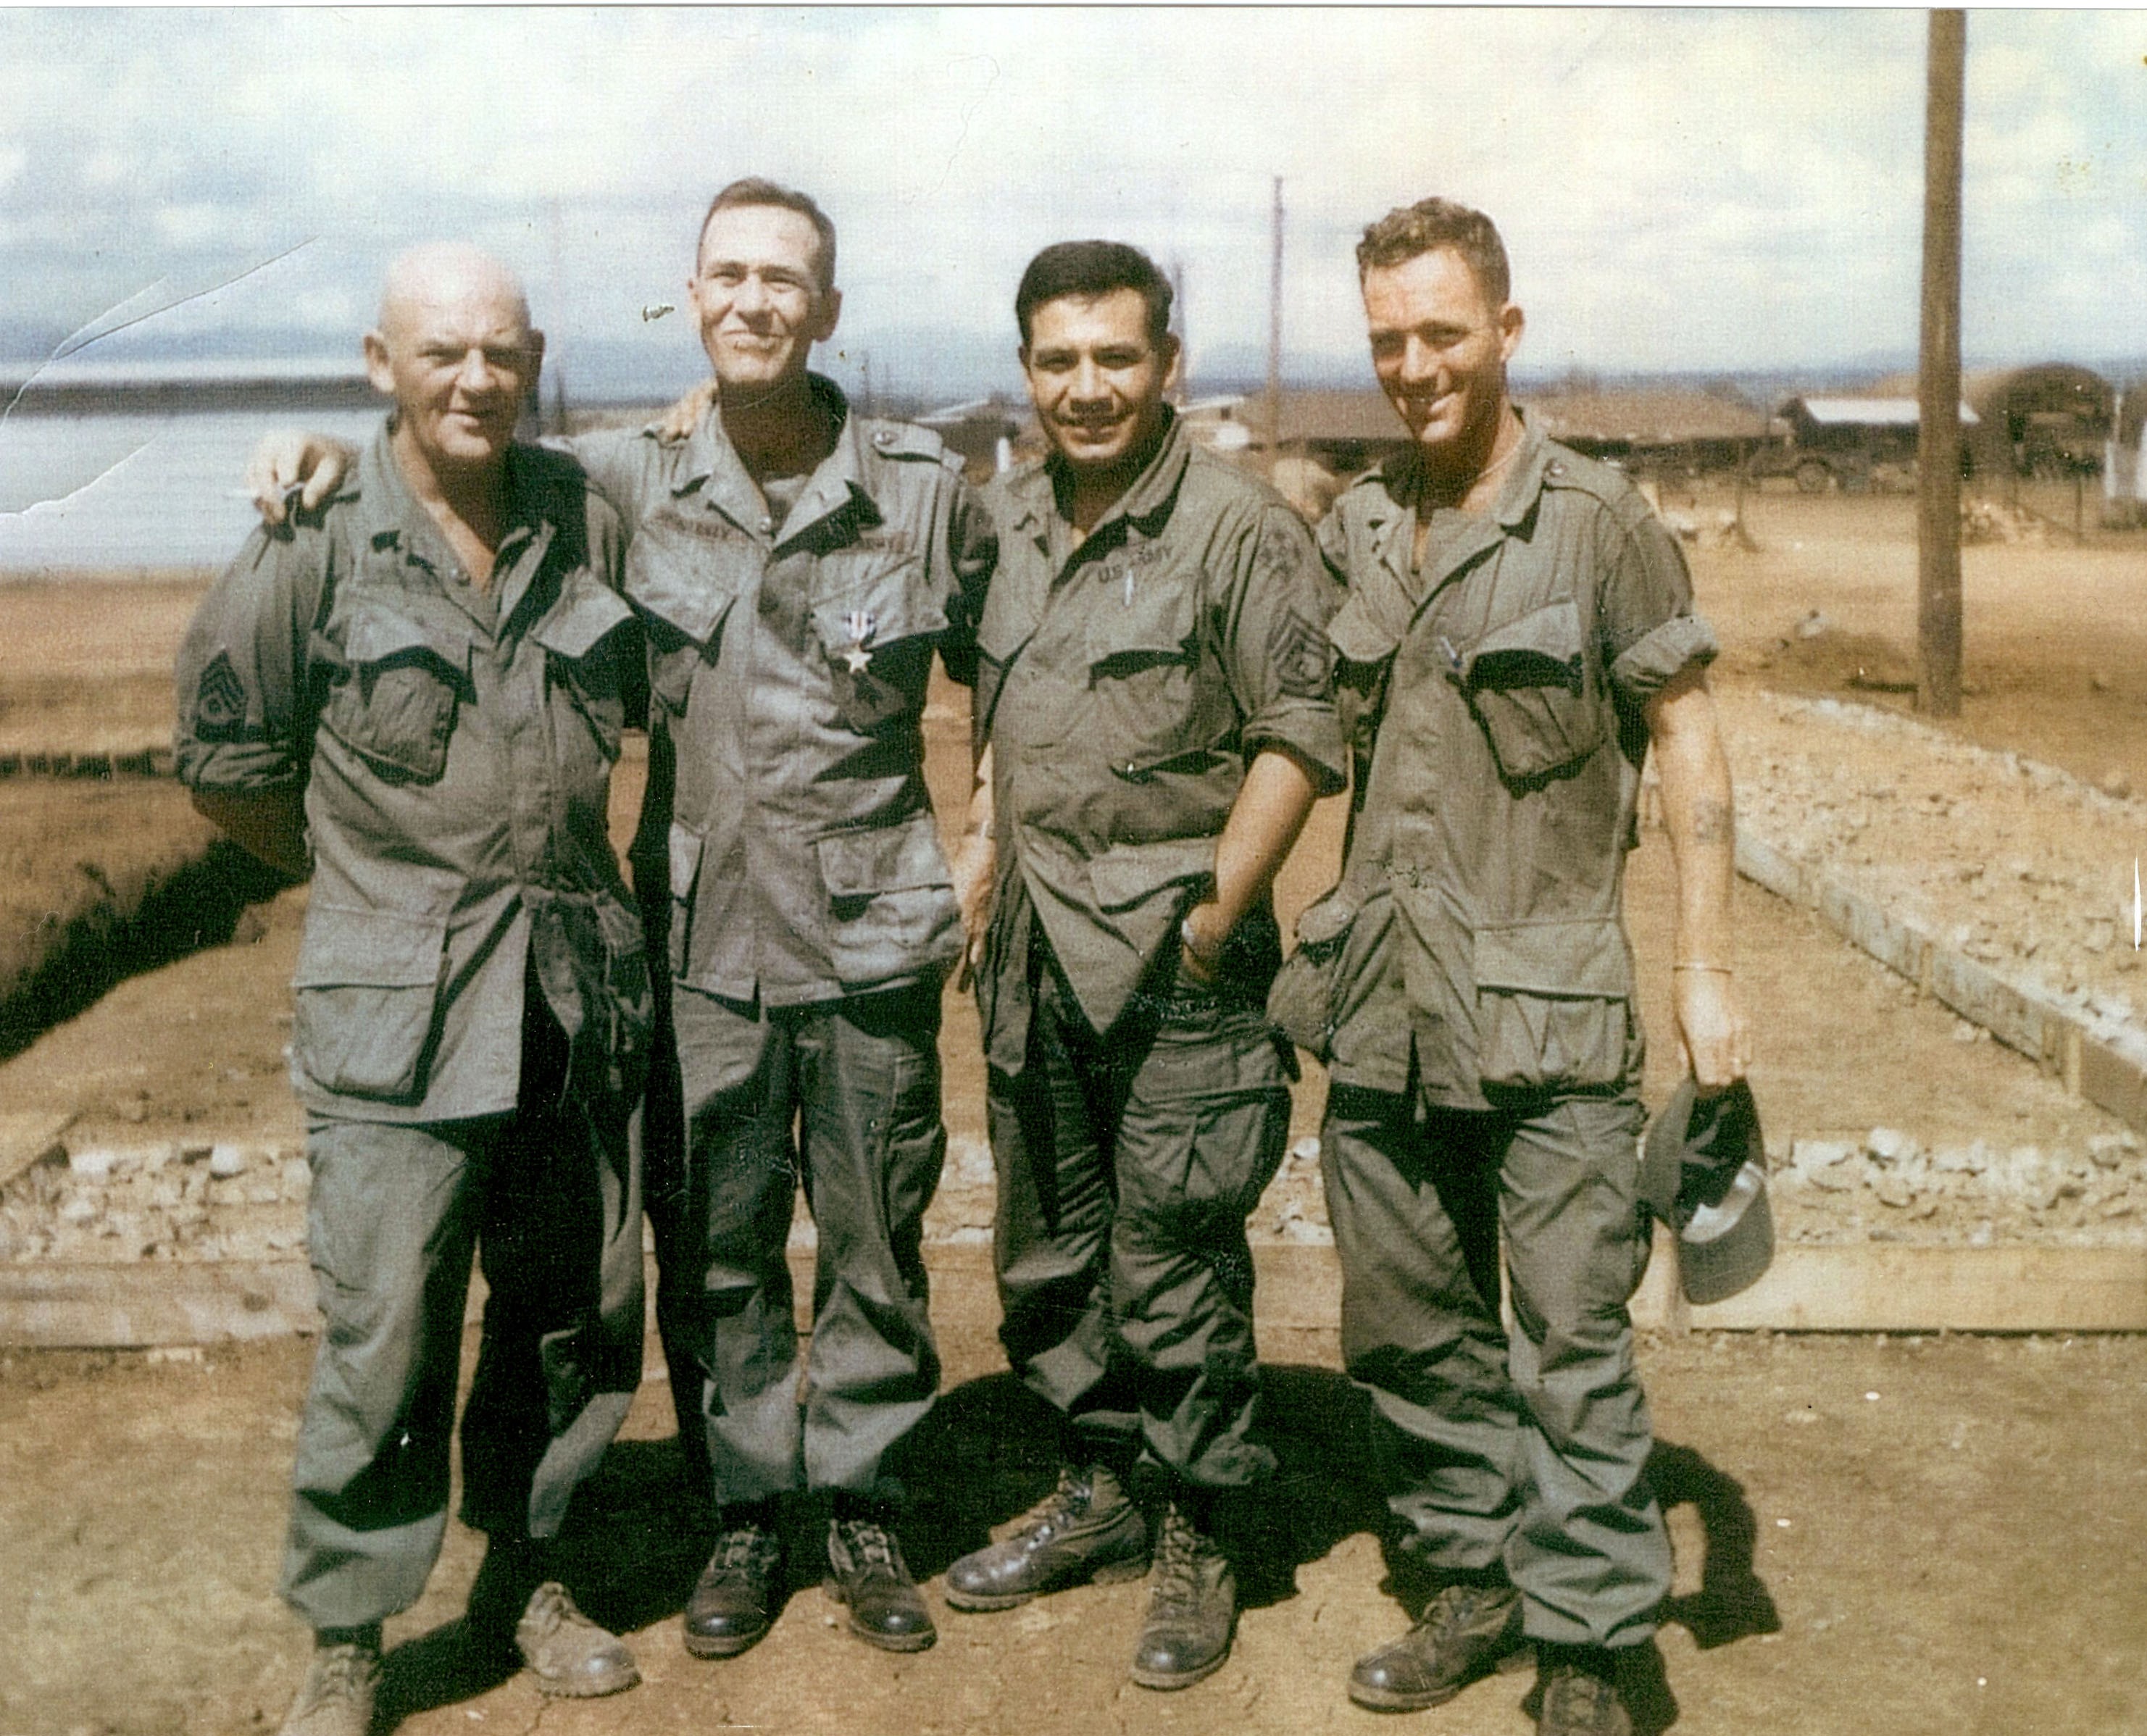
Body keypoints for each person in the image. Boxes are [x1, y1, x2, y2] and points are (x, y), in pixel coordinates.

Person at [249, 183, 995, 1661]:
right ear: (693, 296)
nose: (755, 300)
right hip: (697, 941)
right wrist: (323, 454)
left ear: (829, 309)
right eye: (729, 274)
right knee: (715, 1242)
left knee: (873, 1236)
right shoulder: (619, 483)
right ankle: (745, 1504)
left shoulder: (925, 490)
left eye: (785, 278)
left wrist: (984, 845)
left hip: (872, 938)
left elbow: (1015, 665)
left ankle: (861, 1498)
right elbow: (453, 457)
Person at [178, 245, 651, 1736]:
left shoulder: (583, 512)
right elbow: (227, 761)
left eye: (501, 354)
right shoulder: (311, 538)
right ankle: (350, 1631)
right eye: (441, 353)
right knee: (384, 1333)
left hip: (571, 997)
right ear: (381, 363)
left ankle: (534, 1570)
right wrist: (366, 882)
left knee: (569, 1310)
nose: (475, 380)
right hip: (396, 1019)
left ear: (537, 361)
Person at [1302, 198, 1750, 1736]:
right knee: (1409, 1328)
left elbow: (1687, 736)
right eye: (1387, 340)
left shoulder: (1598, 523)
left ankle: (1590, 1637)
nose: (1414, 366)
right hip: (1382, 1006)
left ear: (1504, 329)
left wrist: (1703, 967)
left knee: (1570, 1339)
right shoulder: (1357, 525)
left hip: (1549, 1012)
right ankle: (1473, 1578)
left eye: (1442, 332)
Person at [941, 241, 1347, 1691]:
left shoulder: (1240, 530)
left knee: (1172, 1261)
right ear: (1026, 372)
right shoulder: (1003, 523)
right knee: (1051, 1254)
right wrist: (983, 851)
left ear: (1169, 366)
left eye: (1117, 357)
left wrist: (1214, 922)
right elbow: (999, 710)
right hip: (1038, 954)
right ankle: (1101, 1486)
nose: (1088, 387)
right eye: (1058, 361)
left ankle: (1197, 1524)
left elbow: (1300, 738)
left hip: (1183, 965)